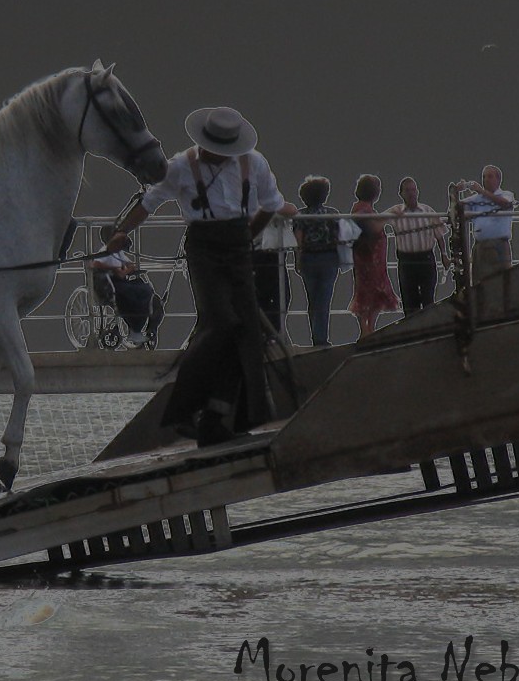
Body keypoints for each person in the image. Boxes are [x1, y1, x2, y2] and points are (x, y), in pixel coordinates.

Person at [104, 106, 286, 446]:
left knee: (245, 332)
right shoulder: (180, 165)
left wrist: (248, 235)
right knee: (220, 321)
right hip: (203, 249)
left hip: (238, 247)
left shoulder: (254, 163)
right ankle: (186, 409)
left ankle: (217, 417)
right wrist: (121, 232)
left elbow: (273, 204)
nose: (207, 152)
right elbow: (149, 202)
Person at [384, 176, 448, 316]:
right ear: (401, 194)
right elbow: (377, 223)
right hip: (406, 261)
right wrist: (390, 215)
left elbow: (439, 235)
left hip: (426, 258)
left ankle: (428, 328)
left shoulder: (427, 211)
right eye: (407, 190)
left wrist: (444, 255)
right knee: (409, 301)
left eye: (413, 190)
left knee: (428, 299)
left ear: (417, 192)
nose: (411, 193)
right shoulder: (396, 211)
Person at [90, 223, 161, 348]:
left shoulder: (118, 253)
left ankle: (140, 328)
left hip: (121, 281)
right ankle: (135, 329)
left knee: (145, 290)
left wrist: (124, 270)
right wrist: (117, 270)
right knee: (131, 295)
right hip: (110, 284)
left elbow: (130, 265)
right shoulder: (104, 252)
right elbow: (95, 265)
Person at [291, 176, 342, 348]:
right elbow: (338, 238)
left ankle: (316, 336)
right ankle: (321, 339)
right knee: (324, 299)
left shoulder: (300, 215)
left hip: (308, 258)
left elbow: (299, 240)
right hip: (328, 258)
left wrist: (297, 260)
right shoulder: (332, 214)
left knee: (312, 299)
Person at [347, 174, 400, 339]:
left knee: (376, 291)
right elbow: (373, 228)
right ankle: (365, 329)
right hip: (367, 259)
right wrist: (389, 216)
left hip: (374, 259)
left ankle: (370, 326)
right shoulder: (361, 210)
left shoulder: (366, 209)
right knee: (367, 291)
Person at [457, 164, 515, 282]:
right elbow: (456, 210)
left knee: (501, 281)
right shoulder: (476, 199)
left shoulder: (506, 195)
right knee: (479, 284)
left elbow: (506, 204)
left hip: (499, 245)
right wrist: (456, 192)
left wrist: (482, 191)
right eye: (484, 177)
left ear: (498, 180)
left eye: (489, 177)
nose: (485, 180)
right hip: (480, 246)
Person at [250, 201, 298, 337]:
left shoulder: (267, 204)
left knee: (280, 295)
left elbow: (292, 210)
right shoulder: (248, 205)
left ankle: (270, 332)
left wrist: (269, 206)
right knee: (268, 295)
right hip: (260, 253)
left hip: (273, 254)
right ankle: (267, 333)